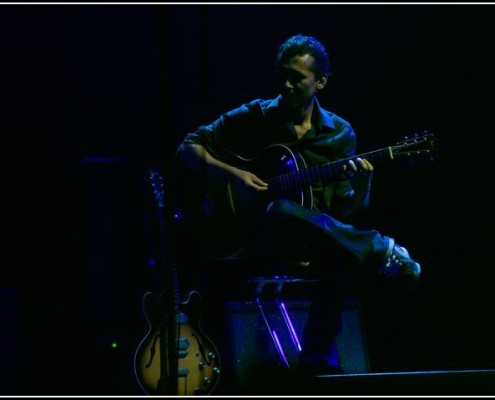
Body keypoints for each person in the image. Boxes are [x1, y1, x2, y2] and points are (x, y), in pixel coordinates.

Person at [174, 34, 421, 376]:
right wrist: (233, 175)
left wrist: (363, 183)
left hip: (311, 239)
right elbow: (188, 148)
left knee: (341, 254)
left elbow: (344, 211)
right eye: (283, 76)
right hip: (252, 238)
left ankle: (317, 354)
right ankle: (379, 248)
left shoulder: (340, 133)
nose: (287, 85)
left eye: (297, 78)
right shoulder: (255, 115)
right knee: (279, 209)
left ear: (320, 82)